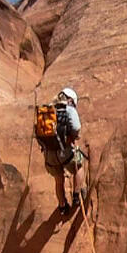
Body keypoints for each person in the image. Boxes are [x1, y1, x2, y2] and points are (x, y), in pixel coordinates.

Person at [43, 87, 86, 215]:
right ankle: (76, 196)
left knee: (58, 178)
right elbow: (76, 127)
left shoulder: (47, 110)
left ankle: (62, 206)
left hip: (49, 154)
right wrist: (73, 136)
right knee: (79, 167)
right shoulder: (68, 109)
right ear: (70, 99)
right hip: (64, 151)